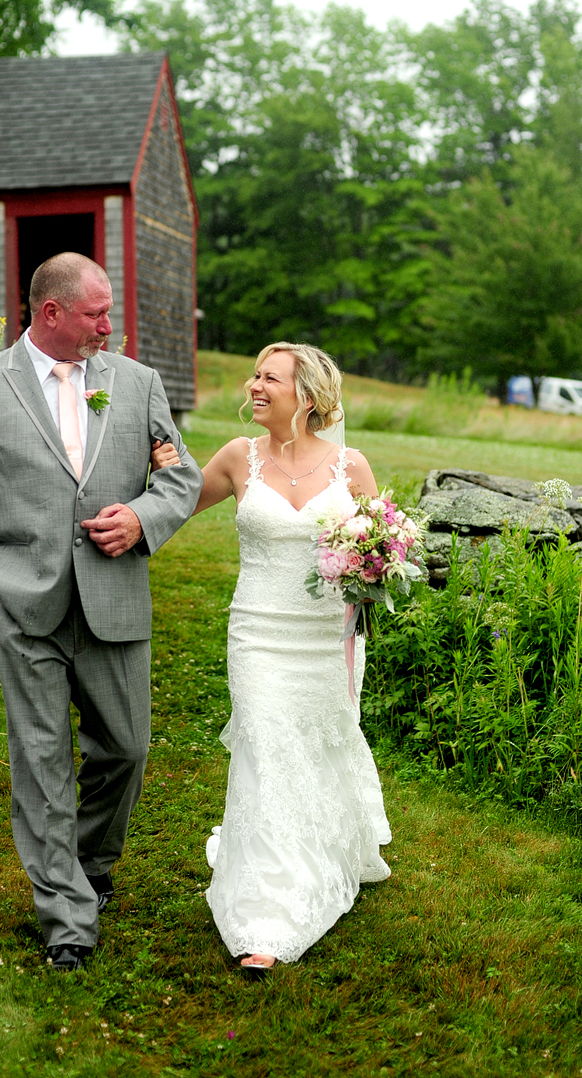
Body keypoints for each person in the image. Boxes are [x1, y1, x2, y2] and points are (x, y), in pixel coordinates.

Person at [0, 253, 203, 972]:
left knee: (127, 748)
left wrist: (144, 517)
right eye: (96, 313)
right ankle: (66, 917)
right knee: (42, 759)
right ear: (50, 313)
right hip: (22, 607)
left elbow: (180, 476)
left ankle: (91, 862)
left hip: (113, 598)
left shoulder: (135, 382)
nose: (108, 326)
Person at [154, 342, 391, 972]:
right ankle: (267, 913)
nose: (254, 385)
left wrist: (376, 569)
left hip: (323, 640)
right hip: (257, 633)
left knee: (312, 748)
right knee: (265, 745)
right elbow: (175, 505)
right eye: (254, 375)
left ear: (306, 396)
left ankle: (324, 851)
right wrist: (162, 466)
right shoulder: (239, 458)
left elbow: (383, 550)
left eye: (269, 378)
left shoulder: (351, 467)